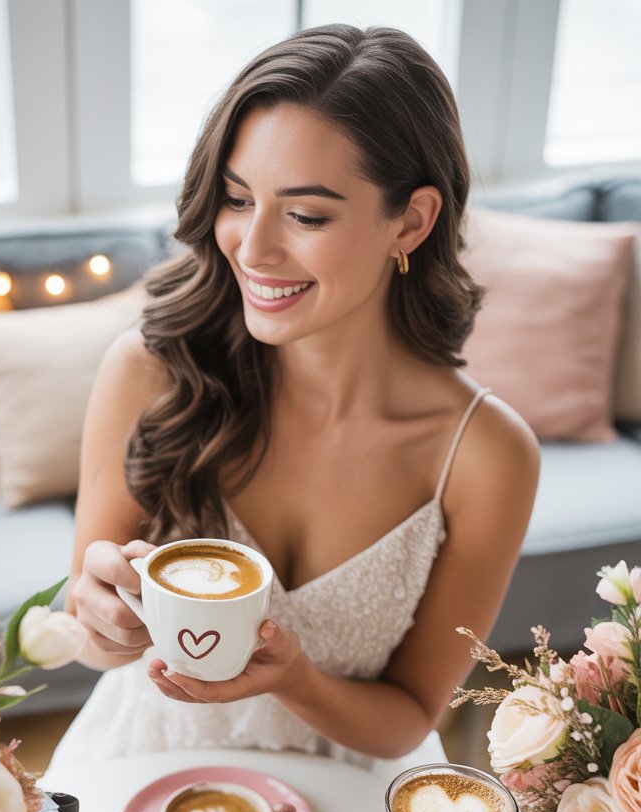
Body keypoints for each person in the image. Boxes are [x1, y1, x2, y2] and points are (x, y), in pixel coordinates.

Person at [52, 24, 539, 773]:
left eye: (307, 215)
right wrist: (96, 618)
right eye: (238, 199)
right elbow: (89, 637)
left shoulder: (485, 456)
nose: (253, 247)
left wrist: (298, 681)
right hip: (140, 770)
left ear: (409, 221)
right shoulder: (148, 374)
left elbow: (408, 719)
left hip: (350, 804)